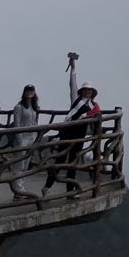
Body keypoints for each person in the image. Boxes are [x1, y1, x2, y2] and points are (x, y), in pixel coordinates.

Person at [43, 52, 102, 196]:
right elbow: (73, 83)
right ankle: (47, 186)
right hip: (68, 131)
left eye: (90, 91)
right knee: (61, 159)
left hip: (79, 135)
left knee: (73, 163)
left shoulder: (93, 106)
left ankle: (70, 191)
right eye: (86, 90)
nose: (88, 92)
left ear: (92, 93)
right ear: (82, 91)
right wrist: (73, 68)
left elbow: (96, 116)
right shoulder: (76, 98)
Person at [7, 84, 41, 195]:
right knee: (19, 165)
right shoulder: (19, 107)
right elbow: (17, 124)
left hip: (31, 137)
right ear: (24, 92)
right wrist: (20, 140)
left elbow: (35, 122)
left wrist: (36, 136)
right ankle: (17, 190)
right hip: (22, 139)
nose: (30, 92)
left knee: (26, 165)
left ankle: (21, 188)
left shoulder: (34, 107)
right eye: (28, 90)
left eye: (32, 90)